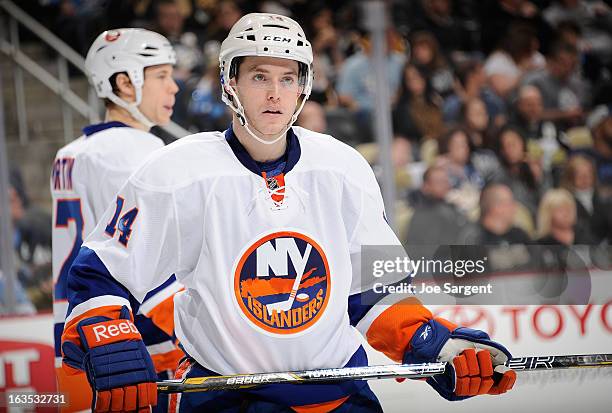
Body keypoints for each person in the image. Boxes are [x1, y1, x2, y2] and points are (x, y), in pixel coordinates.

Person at [61, 14, 516, 412]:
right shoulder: (176, 171)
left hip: (338, 396)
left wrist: (435, 344)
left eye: (288, 78)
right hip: (224, 397)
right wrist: (108, 333)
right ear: (230, 82)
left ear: (304, 85)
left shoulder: (343, 167)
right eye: (259, 76)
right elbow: (99, 273)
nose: (275, 93)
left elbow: (372, 293)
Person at [52, 28, 183, 412]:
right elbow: (150, 261)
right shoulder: (139, 151)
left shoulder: (70, 153)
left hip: (76, 342)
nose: (173, 87)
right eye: (160, 76)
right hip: (129, 347)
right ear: (125, 82)